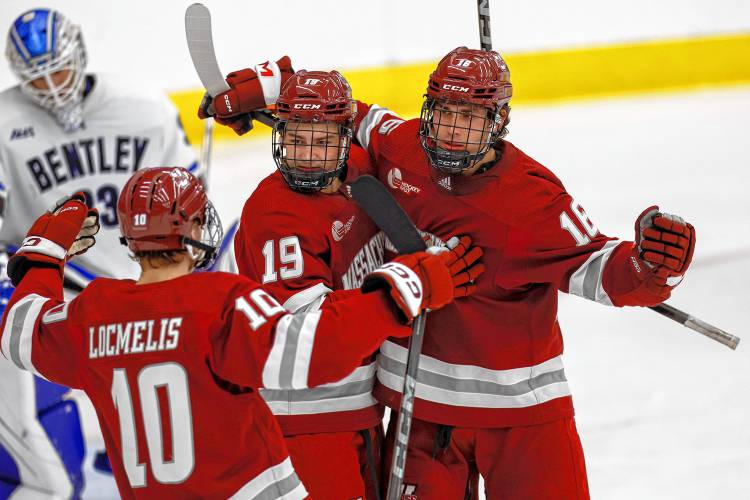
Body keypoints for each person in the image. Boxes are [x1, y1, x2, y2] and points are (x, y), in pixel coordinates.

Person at [205, 46, 696, 499]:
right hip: (417, 414)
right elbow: (346, 113)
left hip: (519, 421)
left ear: (498, 120)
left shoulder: (533, 198)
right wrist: (275, 86)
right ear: (427, 112)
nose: (452, 132)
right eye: (444, 114)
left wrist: (650, 267)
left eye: (470, 118)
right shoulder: (400, 149)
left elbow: (600, 268)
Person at [0, 165, 472, 498]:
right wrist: (404, 288)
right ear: (193, 230)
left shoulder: (94, 314)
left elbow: (19, 333)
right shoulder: (218, 302)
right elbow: (314, 353)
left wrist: (43, 254)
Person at [202, 67, 484, 499]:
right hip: (305, 422)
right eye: (295, 140)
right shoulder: (275, 213)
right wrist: (407, 288)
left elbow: (393, 136)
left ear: (346, 138)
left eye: (321, 142)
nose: (307, 157)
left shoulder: (358, 169)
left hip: (357, 409)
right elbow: (315, 335)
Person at [0, 8, 199, 498]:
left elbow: (191, 193)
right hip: (51, 273)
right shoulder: (4, 120)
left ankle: (145, 444)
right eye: (37, 81)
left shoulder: (144, 107)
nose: (52, 89)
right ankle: (38, 458)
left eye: (59, 72)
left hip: (142, 267)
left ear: (79, 56)